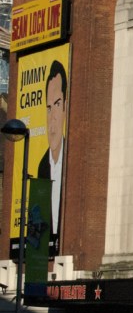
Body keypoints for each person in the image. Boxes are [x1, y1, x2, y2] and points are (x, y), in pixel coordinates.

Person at [37, 59, 67, 242]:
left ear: (65, 107)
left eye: (57, 104)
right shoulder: (40, 168)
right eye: (49, 108)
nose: (53, 117)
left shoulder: (73, 162)